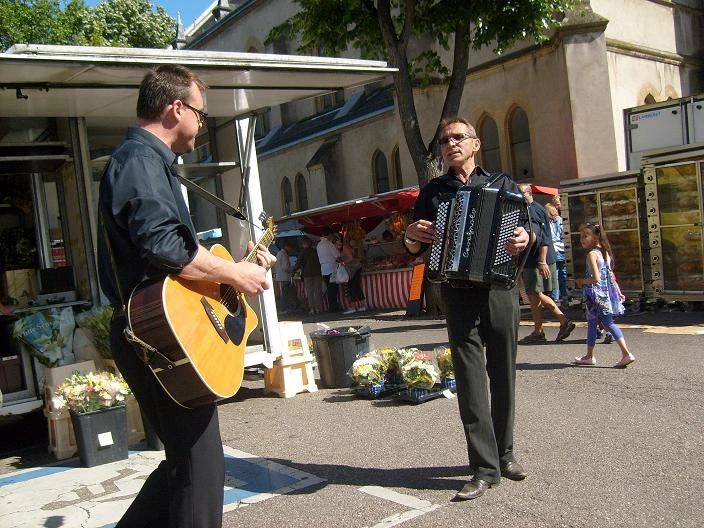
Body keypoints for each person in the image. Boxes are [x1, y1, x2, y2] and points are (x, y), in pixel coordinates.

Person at [97, 64, 275, 528]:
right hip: (152, 335)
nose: (201, 122)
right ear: (175, 108)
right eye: (199, 111)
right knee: (201, 466)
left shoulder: (148, 162)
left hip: (156, 332)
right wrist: (235, 274)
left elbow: (170, 261)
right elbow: (166, 247)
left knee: (187, 462)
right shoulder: (139, 161)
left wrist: (236, 269)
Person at [403, 117, 536, 501]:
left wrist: (526, 238)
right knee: (471, 382)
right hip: (457, 294)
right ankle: (483, 467)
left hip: (499, 290)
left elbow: (530, 231)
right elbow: (414, 245)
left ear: (475, 144)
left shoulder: (502, 184)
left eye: (457, 138)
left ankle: (505, 454)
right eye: (444, 140)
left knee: (504, 376)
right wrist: (410, 236)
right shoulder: (433, 191)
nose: (450, 144)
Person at [518, 184, 575, 344]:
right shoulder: (536, 208)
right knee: (533, 296)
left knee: (536, 293)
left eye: (520, 193)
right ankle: (538, 331)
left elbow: (541, 237)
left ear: (528, 193)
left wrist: (542, 261)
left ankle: (563, 320)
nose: (518, 196)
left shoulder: (532, 210)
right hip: (535, 259)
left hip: (536, 259)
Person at [574, 223, 635, 368]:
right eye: (581, 236)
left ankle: (626, 353)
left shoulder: (592, 254)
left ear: (596, 236)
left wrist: (581, 281)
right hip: (605, 294)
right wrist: (618, 291)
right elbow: (610, 275)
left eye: (586, 236)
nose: (582, 239)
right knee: (592, 324)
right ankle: (589, 356)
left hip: (594, 294)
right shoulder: (605, 253)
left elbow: (596, 278)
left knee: (608, 323)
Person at [293, 236, 324, 315]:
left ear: (304, 244)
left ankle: (312, 309)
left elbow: (298, 264)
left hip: (307, 275)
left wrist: (293, 270)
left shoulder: (302, 253)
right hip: (317, 273)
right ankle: (318, 308)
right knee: (317, 291)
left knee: (310, 292)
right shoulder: (315, 251)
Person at [545, 202, 568, 305]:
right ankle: (565, 296)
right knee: (563, 274)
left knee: (555, 274)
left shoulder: (546, 222)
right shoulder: (561, 221)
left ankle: (555, 297)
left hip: (553, 250)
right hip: (562, 249)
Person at [340, 235, 367, 314]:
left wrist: (343, 263)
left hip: (353, 269)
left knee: (352, 287)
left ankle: (354, 307)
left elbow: (350, 258)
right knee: (356, 287)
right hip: (356, 267)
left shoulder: (345, 247)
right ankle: (362, 306)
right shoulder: (349, 246)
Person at [316, 228, 341, 312]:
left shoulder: (319, 244)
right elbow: (337, 256)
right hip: (331, 268)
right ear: (329, 235)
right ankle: (334, 307)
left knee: (329, 288)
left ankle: (331, 306)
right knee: (333, 289)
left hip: (323, 269)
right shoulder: (328, 244)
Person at [273, 241, 297, 314]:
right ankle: (283, 309)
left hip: (281, 277)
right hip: (284, 277)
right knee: (284, 294)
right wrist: (293, 268)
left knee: (285, 294)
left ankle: (285, 308)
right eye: (290, 248)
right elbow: (286, 267)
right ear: (287, 247)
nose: (291, 250)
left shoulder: (280, 253)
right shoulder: (283, 254)